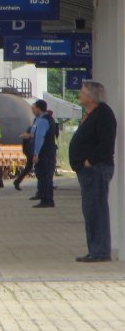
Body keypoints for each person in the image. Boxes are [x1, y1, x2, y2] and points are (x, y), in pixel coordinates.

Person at [69, 80, 117, 262]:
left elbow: (106, 142)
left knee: (96, 210)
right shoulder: (92, 113)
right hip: (89, 170)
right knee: (90, 210)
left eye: (82, 92)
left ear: (91, 97)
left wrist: (89, 161)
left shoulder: (103, 114)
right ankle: (95, 249)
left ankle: (100, 251)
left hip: (96, 169)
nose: (79, 95)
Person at [30, 99, 56, 208]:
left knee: (43, 176)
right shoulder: (50, 119)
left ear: (39, 108)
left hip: (44, 154)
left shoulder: (42, 121)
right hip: (50, 152)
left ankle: (46, 200)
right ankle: (48, 199)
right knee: (48, 177)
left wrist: (36, 154)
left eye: (34, 108)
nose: (33, 110)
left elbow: (40, 138)